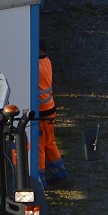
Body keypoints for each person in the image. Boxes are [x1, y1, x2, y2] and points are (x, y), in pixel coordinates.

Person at [38, 41, 68, 189]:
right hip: (49, 108)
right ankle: (59, 172)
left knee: (39, 146)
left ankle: (40, 180)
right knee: (49, 142)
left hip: (41, 112)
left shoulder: (35, 67)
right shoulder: (46, 61)